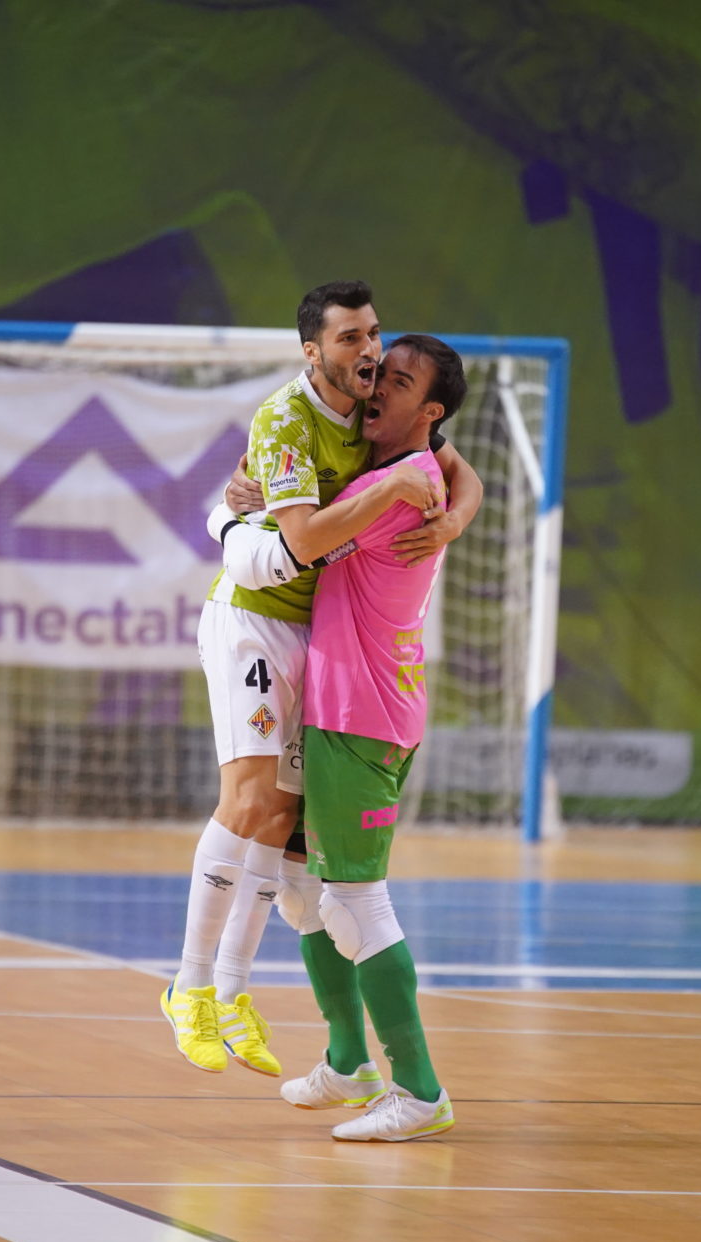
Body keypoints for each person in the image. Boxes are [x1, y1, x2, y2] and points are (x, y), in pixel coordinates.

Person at [163, 282, 482, 1077]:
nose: (370, 351)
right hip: (254, 618)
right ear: (313, 351)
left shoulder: (379, 418)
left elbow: (453, 464)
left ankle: (232, 992)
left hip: (317, 638)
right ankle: (188, 986)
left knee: (281, 822)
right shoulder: (286, 418)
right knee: (250, 803)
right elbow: (299, 542)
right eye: (351, 339)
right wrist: (229, 517)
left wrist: (453, 513)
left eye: (374, 335)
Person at [212, 334, 466, 1141]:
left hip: (366, 717)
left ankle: (420, 1092)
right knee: (302, 891)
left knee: (356, 904)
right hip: (333, 707)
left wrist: (228, 514)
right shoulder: (394, 467)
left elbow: (303, 540)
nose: (377, 386)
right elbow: (457, 469)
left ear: (429, 410)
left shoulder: (399, 488)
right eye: (378, 372)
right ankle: (350, 1062)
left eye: (399, 381)